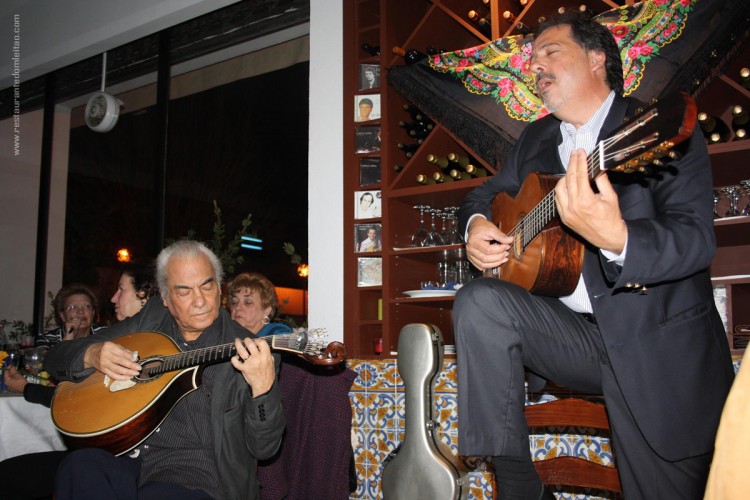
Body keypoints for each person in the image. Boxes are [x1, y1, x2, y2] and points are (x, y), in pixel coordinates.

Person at [453, 11, 733, 500]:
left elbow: (695, 240)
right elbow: (483, 197)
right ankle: (520, 486)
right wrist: (477, 227)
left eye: (550, 53)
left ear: (597, 57)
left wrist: (619, 238)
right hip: (573, 340)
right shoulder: (536, 139)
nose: (534, 67)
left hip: (655, 343)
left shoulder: (654, 127)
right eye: (531, 60)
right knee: (479, 301)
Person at [45, 240, 285, 500]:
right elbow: (56, 358)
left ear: (219, 288)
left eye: (207, 286)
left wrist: (263, 390)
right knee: (79, 466)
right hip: (131, 453)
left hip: (196, 476)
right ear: (166, 298)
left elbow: (265, 448)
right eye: (184, 292)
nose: (200, 301)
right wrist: (92, 355)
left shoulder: (250, 350)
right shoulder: (151, 318)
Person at [0, 266, 157, 500]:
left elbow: (81, 402)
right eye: (73, 307)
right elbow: (56, 362)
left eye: (121, 290)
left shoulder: (143, 344)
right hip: (94, 448)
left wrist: (26, 388)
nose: (113, 298)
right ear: (61, 314)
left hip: (115, 454)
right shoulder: (109, 339)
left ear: (144, 297)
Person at [34, 283, 105, 349]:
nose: (81, 311)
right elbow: (47, 362)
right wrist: (68, 338)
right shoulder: (47, 339)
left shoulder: (106, 334)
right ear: (62, 316)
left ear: (93, 312)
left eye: (86, 306)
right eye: (73, 307)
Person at [227, 272, 292, 337]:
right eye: (234, 302)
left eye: (248, 302)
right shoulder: (226, 335)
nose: (237, 307)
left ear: (266, 311)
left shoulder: (277, 332)